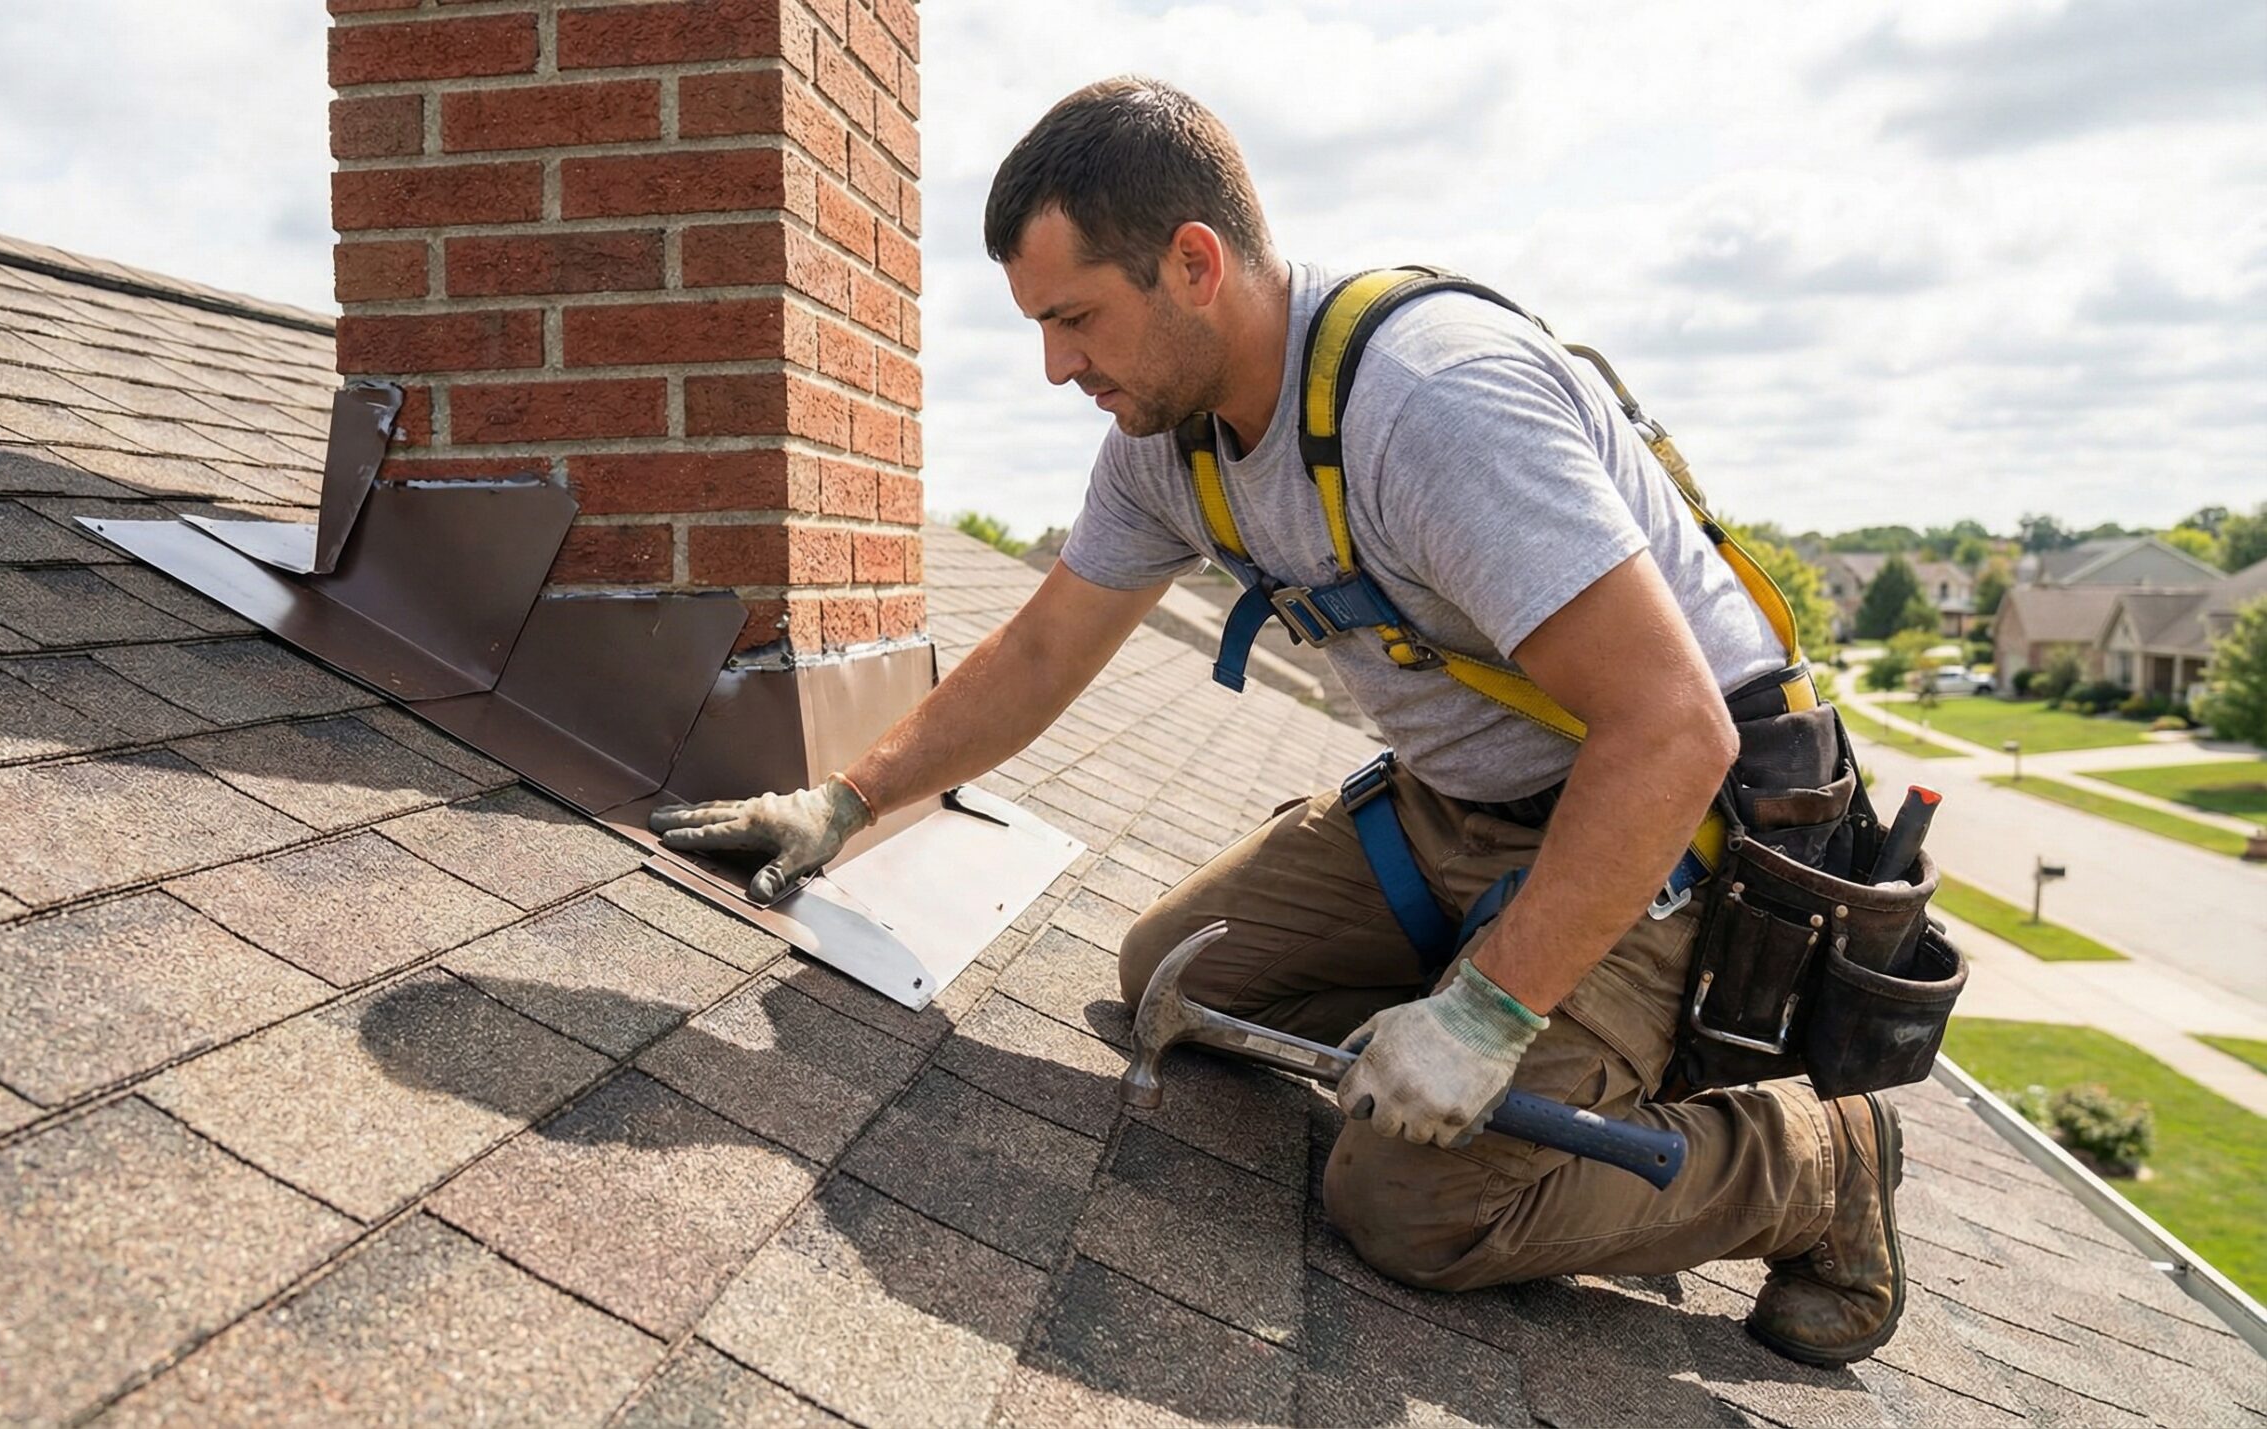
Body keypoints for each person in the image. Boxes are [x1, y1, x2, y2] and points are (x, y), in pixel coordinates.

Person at [651, 76, 1903, 1368]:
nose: (1055, 366)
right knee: (1170, 971)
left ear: (1194, 263)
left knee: (1410, 1203)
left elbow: (1674, 731)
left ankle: (1811, 1164)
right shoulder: (1169, 436)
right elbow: (1040, 652)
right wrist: (847, 801)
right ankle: (1492, 1017)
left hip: (1658, 839)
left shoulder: (1431, 404)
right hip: (1453, 807)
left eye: (1074, 318)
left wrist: (1486, 1013)